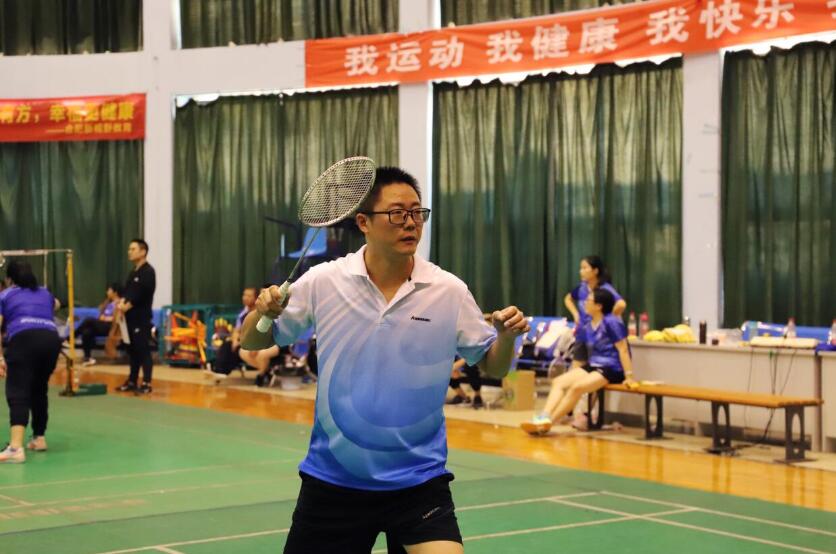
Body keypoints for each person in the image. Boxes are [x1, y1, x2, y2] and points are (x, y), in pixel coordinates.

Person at [241, 167, 528, 554]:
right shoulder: (324, 281)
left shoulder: (448, 290)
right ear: (364, 222)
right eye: (396, 213)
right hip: (334, 481)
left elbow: (493, 366)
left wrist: (506, 338)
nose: (410, 222)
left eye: (417, 212)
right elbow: (254, 341)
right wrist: (262, 313)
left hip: (418, 482)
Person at [522, 288, 637, 436]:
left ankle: (548, 423)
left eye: (588, 300)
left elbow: (623, 349)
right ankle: (544, 416)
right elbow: (581, 352)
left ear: (599, 306)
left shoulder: (612, 322)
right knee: (558, 382)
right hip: (594, 365)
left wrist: (629, 376)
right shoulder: (588, 323)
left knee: (576, 388)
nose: (584, 303)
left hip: (612, 368)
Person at [0, 261, 62, 463]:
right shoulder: (44, 292)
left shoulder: (5, 295)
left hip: (23, 339)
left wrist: (0, 357)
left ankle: (15, 448)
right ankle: (39, 438)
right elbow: (57, 304)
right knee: (38, 388)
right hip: (51, 341)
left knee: (18, 390)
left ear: (9, 279)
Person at [116, 239, 156, 394]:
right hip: (129, 319)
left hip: (141, 319)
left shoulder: (148, 272)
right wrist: (121, 303)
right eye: (129, 249)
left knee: (142, 350)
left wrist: (128, 305)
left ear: (143, 251)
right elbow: (127, 292)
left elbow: (142, 293)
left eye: (133, 249)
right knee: (132, 351)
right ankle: (132, 381)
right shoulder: (133, 272)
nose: (129, 252)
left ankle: (147, 383)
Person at [206, 286, 260, 380]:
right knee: (227, 345)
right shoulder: (243, 313)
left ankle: (218, 368)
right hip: (242, 342)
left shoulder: (259, 312)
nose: (245, 298)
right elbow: (237, 329)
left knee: (232, 350)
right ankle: (218, 370)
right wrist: (235, 340)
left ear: (256, 298)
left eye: (249, 296)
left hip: (253, 343)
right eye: (244, 295)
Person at [564, 255, 626, 327]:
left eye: (584, 268)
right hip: (584, 329)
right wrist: (575, 314)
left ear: (595, 271)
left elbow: (621, 304)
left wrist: (605, 320)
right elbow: (568, 299)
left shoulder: (605, 289)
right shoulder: (582, 287)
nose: (581, 271)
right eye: (581, 268)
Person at [78, 283, 122, 365]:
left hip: (111, 328)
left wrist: (105, 318)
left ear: (115, 292)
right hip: (102, 326)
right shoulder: (108, 303)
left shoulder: (120, 303)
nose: (107, 292)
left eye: (109, 290)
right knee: (87, 332)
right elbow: (101, 315)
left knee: (89, 320)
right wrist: (103, 317)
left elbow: (117, 319)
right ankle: (87, 357)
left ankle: (71, 337)